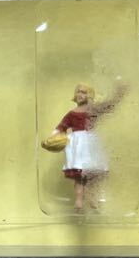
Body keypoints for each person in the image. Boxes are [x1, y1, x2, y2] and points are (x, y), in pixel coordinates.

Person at [44, 81, 127, 211]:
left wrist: (119, 94)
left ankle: (92, 198)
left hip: (91, 142)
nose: (80, 95)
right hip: (78, 145)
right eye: (78, 92)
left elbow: (108, 106)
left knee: (92, 173)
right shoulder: (72, 113)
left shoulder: (93, 110)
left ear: (89, 95)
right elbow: (62, 126)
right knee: (79, 175)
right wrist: (52, 137)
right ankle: (79, 200)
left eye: (83, 92)